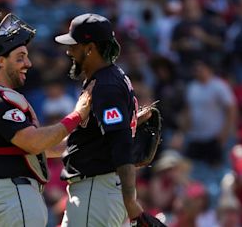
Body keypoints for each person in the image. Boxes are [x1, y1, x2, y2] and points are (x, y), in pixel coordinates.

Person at [0, 13, 93, 227]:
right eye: (20, 57)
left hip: (11, 197)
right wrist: (78, 114)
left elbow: (40, 149)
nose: (28, 63)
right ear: (0, 61)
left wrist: (90, 142)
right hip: (16, 198)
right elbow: (35, 142)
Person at [54, 13, 165, 226]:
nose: (69, 51)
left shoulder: (106, 86)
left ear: (90, 48)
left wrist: (130, 201)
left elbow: (121, 144)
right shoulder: (111, 77)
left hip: (96, 192)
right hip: (99, 192)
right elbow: (93, 141)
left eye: (74, 45)